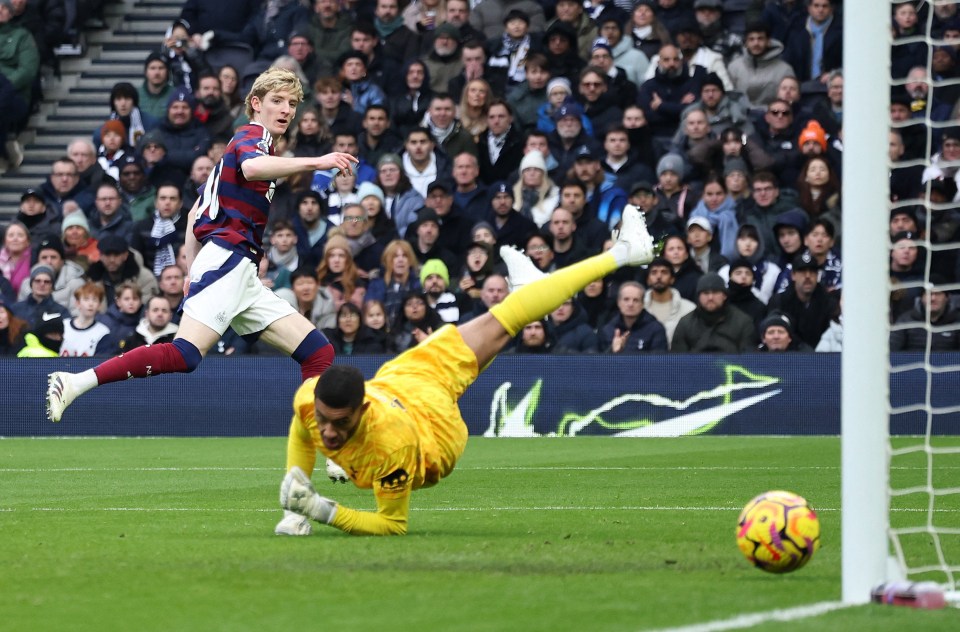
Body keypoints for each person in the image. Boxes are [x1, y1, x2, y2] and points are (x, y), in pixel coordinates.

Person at [275, 205, 654, 535]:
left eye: (340, 424)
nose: (327, 430)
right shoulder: (312, 401)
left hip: (434, 428)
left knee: (499, 323)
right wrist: (296, 504)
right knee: (498, 324)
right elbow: (302, 428)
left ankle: (621, 254)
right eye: (324, 419)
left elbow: (391, 524)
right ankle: (529, 294)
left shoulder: (391, 445)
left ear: (362, 410)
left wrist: (321, 511)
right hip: (406, 397)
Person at [46, 68, 359, 423]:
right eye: (277, 101)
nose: (286, 109)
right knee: (185, 354)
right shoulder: (250, 137)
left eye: (291, 103)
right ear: (256, 104)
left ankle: (315, 445)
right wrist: (318, 161)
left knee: (318, 352)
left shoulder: (237, 151)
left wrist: (191, 267)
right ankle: (75, 381)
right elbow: (255, 168)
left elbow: (196, 212)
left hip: (239, 270)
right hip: (229, 258)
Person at [671, 272, 756, 352]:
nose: (710, 297)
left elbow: (748, 359)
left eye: (715, 292)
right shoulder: (685, 323)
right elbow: (677, 362)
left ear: (724, 296)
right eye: (705, 293)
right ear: (698, 296)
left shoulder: (743, 322)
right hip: (695, 367)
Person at [890, 277, 960, 351]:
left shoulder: (957, 321)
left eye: (938, 294)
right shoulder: (905, 320)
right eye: (928, 294)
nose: (933, 298)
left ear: (947, 297)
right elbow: (891, 350)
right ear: (921, 298)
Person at [599, 280, 667, 353]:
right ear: (618, 302)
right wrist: (613, 351)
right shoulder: (608, 330)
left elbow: (659, 362)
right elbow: (599, 362)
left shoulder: (656, 329)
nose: (630, 304)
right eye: (626, 299)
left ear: (642, 304)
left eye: (636, 300)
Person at [641, 256, 695, 349]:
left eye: (664, 272)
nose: (659, 276)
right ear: (648, 280)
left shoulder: (689, 309)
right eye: (654, 272)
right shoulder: (638, 308)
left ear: (672, 279)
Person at [59, 282, 111, 357]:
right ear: (77, 303)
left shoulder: (102, 332)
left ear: (99, 305)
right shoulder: (63, 325)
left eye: (95, 300)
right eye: (86, 299)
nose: (91, 304)